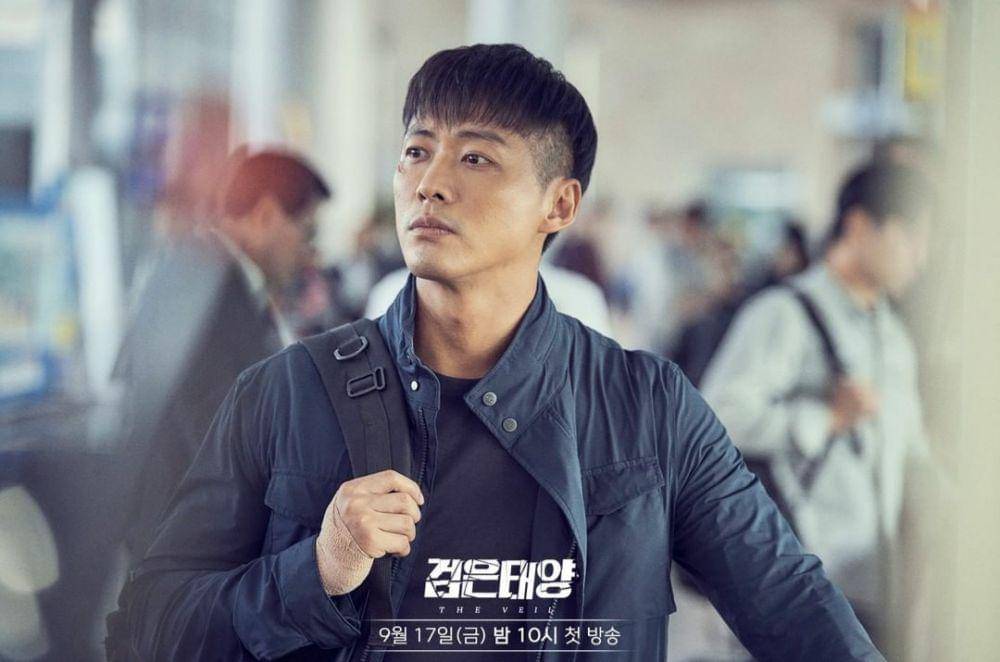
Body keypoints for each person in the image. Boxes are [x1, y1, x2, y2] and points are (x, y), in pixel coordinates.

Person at [109, 45, 882, 661]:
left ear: (559, 204)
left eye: (475, 158)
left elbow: (791, 605)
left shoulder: (648, 409)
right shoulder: (289, 392)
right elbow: (148, 625)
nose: (430, 184)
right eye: (417, 151)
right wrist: (315, 570)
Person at [701, 161, 932, 654]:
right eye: (910, 236)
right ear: (859, 226)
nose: (920, 256)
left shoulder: (893, 337)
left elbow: (912, 453)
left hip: (874, 587)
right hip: (798, 586)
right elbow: (717, 419)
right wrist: (825, 419)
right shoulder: (784, 314)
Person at [111, 148, 331, 567]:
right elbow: (219, 433)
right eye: (306, 231)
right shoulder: (211, 292)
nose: (309, 252)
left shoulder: (201, 271)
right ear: (266, 215)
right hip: (186, 549)